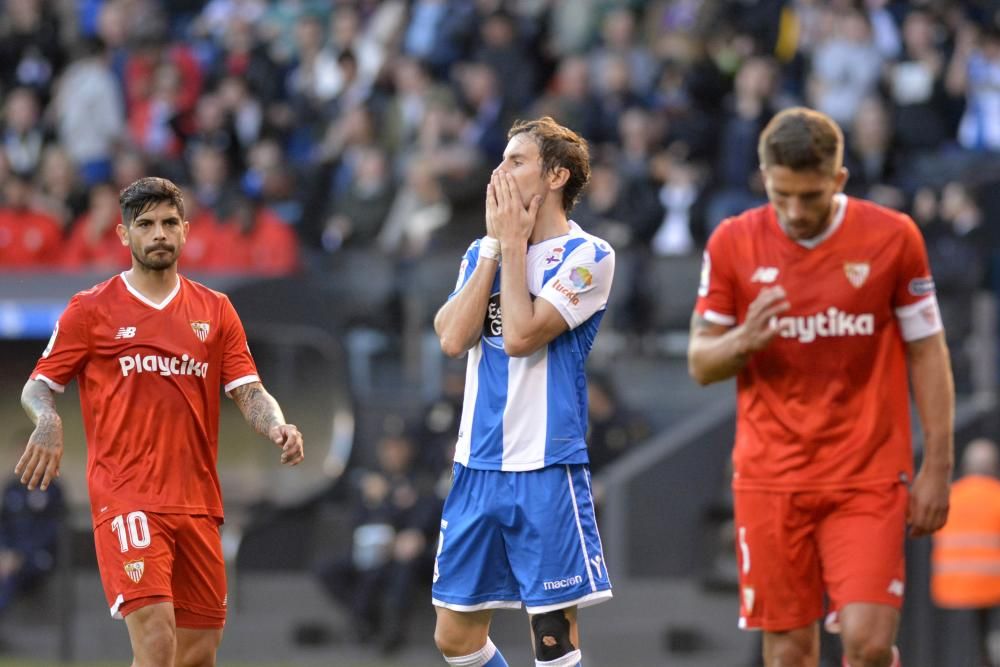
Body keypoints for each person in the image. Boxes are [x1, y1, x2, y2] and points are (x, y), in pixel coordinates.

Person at [687, 107, 954, 667]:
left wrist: (939, 465)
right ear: (764, 177)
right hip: (771, 477)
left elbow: (927, 349)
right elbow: (700, 362)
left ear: (839, 179)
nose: (794, 210)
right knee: (787, 653)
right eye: (782, 194)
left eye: (810, 195)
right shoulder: (733, 242)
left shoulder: (892, 237)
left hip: (869, 474)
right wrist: (745, 340)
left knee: (869, 642)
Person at [17, 177, 304, 667]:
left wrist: (276, 424)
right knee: (155, 642)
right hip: (127, 497)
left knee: (196, 655)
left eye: (169, 223)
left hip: (196, 502)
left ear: (186, 231)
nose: (159, 234)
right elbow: (38, 385)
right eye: (145, 224)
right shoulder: (91, 309)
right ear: (124, 235)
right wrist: (46, 419)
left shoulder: (215, 311)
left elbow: (250, 392)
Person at [431, 116, 615, 667]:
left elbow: (520, 337)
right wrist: (494, 246)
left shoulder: (589, 257)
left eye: (516, 161)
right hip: (476, 465)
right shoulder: (479, 251)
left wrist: (512, 247)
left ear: (556, 175)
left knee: (553, 640)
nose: (499, 171)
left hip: (545, 467)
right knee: (454, 638)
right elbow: (451, 337)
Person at [931, 438, 1000, 667]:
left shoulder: (949, 497)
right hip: (992, 589)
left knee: (958, 655)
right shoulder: (997, 497)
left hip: (949, 589)